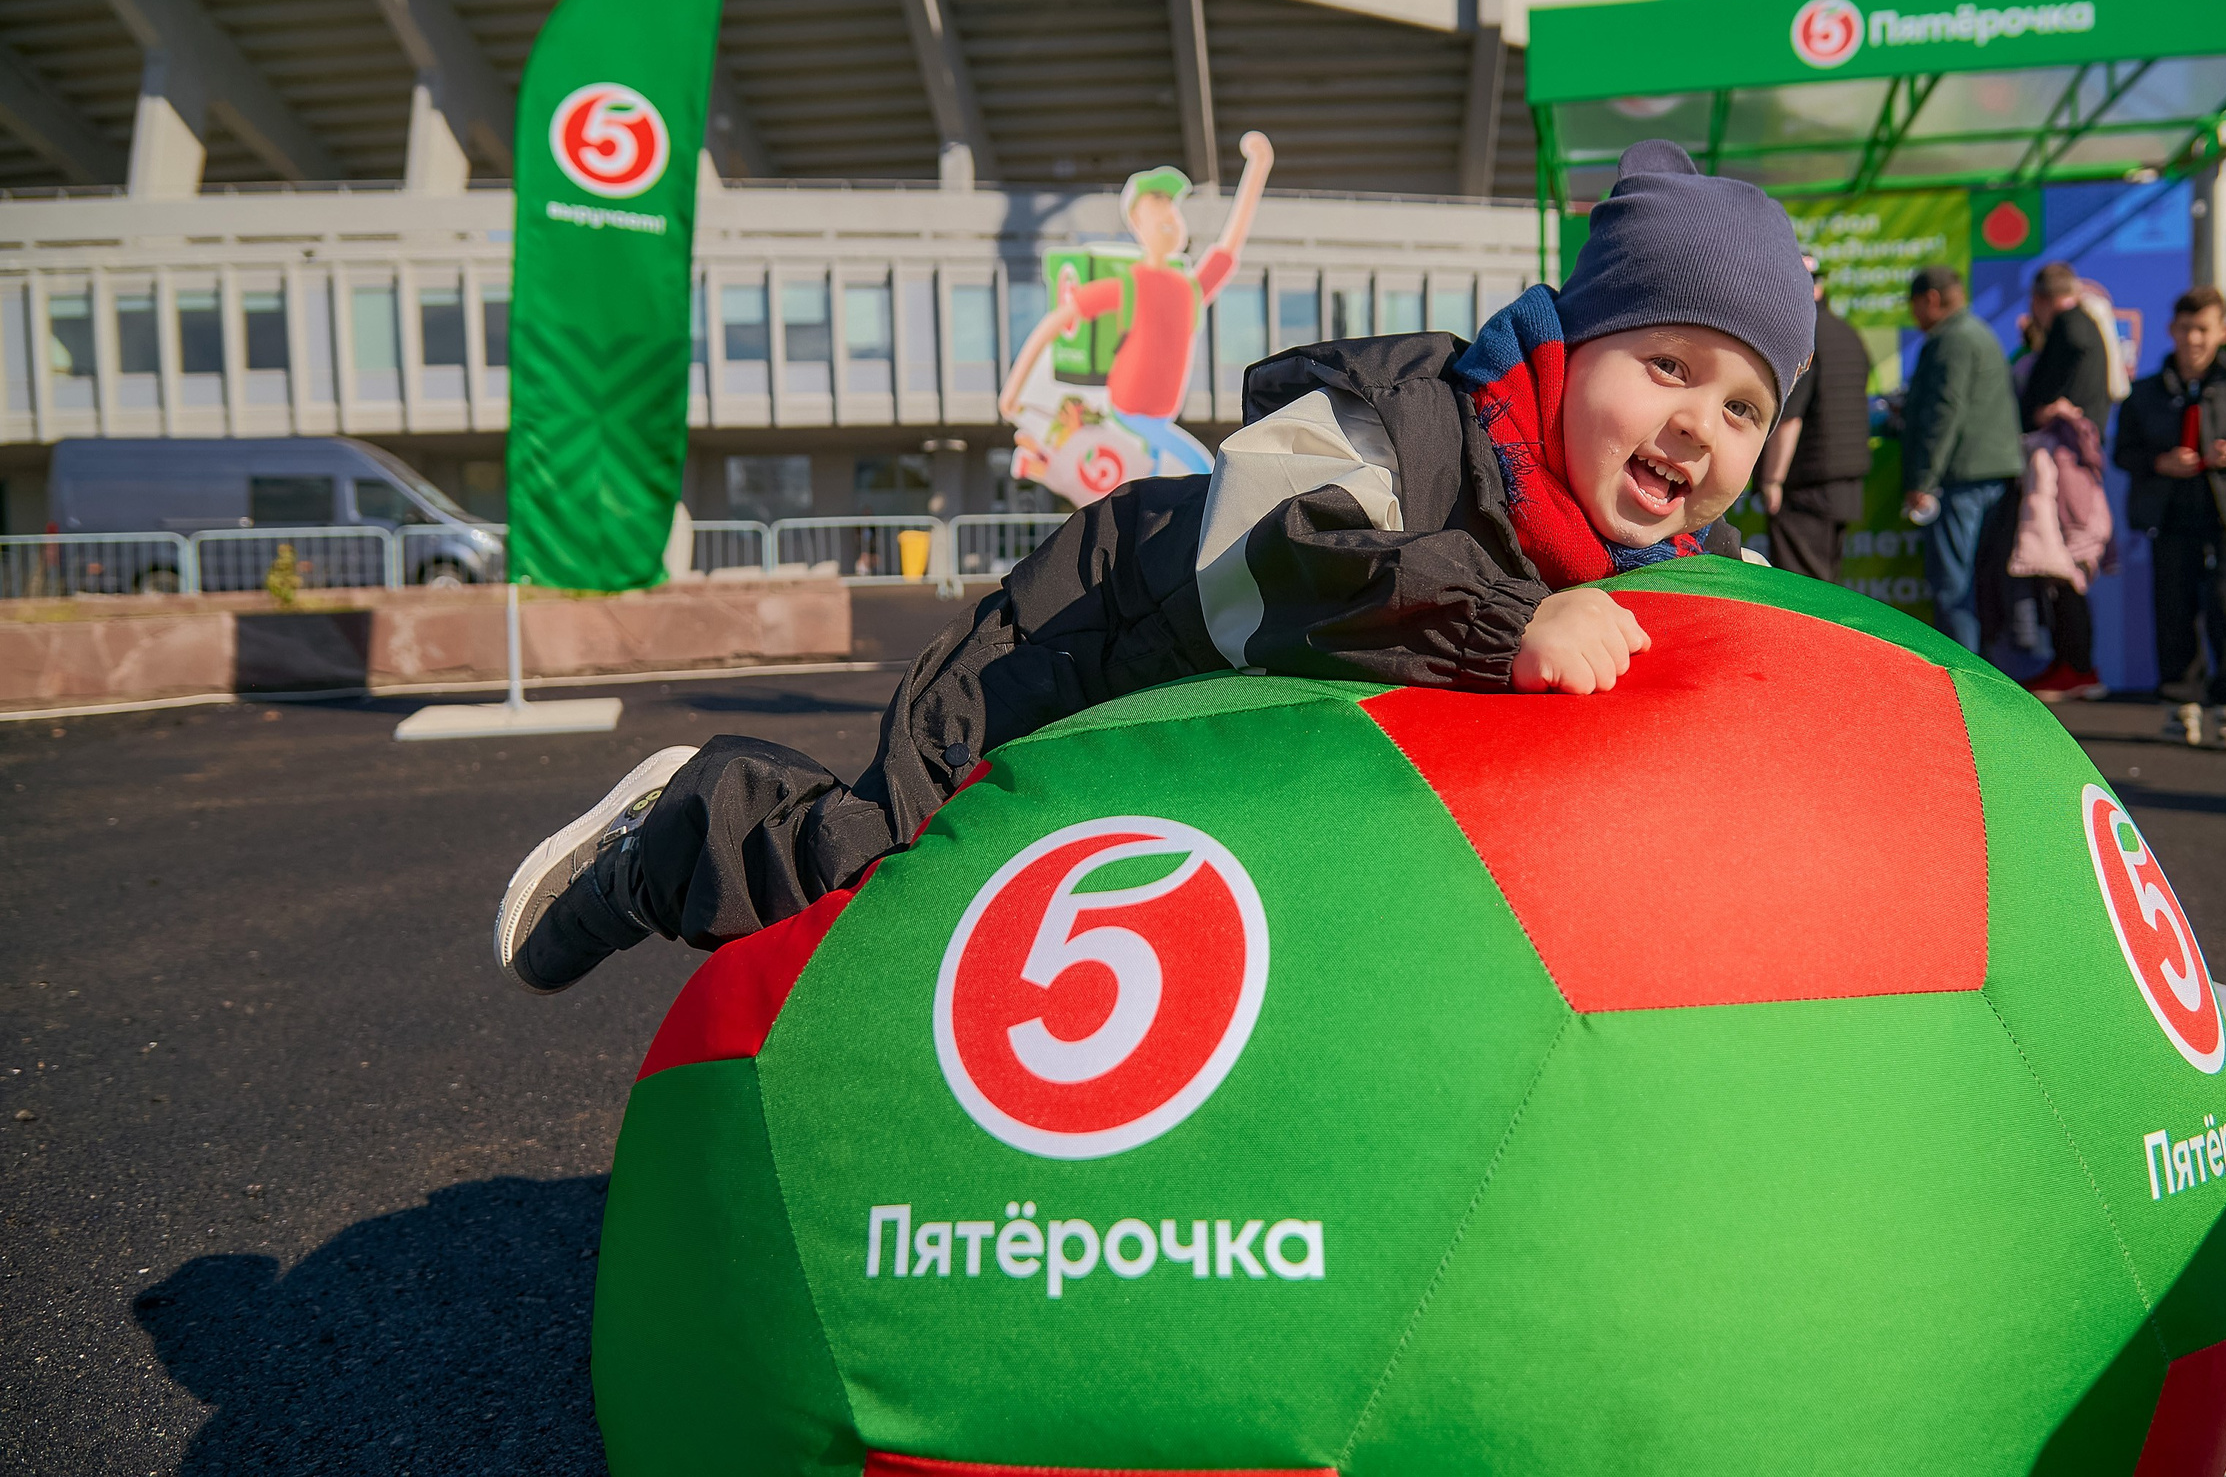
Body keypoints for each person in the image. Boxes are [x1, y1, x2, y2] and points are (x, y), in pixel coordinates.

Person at [496, 140, 1816, 993]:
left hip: (1226, 765)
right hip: (1081, 647)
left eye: (1745, 406)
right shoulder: (1408, 418)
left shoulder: (1654, 564)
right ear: (1573, 347)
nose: (1699, 423)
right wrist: (1500, 624)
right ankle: (678, 837)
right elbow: (1276, 554)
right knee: (890, 890)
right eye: (1668, 366)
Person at [1001, 133, 1277, 478]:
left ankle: (1041, 464)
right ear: (1137, 224)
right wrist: (1012, 390)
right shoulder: (1130, 284)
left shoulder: (1188, 288)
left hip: (1159, 415)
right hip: (1129, 413)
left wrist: (1258, 167)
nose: (1170, 219)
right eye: (1158, 210)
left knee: (1156, 486)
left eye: (1173, 211)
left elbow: (1229, 247)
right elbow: (1058, 320)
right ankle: (1042, 462)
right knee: (1203, 471)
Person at [2115, 287, 2226, 755]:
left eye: (2203, 329)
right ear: (2171, 330)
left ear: (2223, 331)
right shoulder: (2145, 391)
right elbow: (2123, 453)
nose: (2194, 339)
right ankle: (2180, 706)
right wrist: (2160, 462)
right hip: (2169, 516)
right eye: (2185, 328)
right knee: (2174, 609)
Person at [1902, 264, 2023, 654]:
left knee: (1953, 586)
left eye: (1915, 306)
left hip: (1961, 479)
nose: (1914, 317)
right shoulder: (1979, 333)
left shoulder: (1951, 340)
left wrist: (1923, 479)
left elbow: (1944, 412)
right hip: (1992, 474)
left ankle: (1962, 683)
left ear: (1932, 299)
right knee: (1980, 584)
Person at [2014, 260, 2115, 700]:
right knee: (2064, 562)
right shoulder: (2089, 326)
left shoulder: (2069, 329)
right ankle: (2070, 663)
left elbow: (2042, 400)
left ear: (2041, 301)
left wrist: (2048, 407)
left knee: (2064, 562)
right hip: (2075, 462)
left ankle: (2076, 667)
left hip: (2065, 464)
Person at [1756, 253, 1872, 582]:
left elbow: (1791, 418)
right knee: (1827, 588)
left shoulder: (1802, 335)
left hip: (1805, 486)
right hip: (1845, 485)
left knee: (1802, 593)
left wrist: (1772, 480)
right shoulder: (1848, 333)